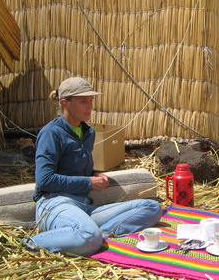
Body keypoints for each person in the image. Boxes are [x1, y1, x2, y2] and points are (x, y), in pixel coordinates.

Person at [24, 77, 162, 256]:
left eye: (90, 101)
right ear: (65, 103)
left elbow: (76, 169)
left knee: (152, 208)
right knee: (88, 236)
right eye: (83, 101)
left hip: (84, 206)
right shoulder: (51, 133)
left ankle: (98, 236)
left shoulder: (88, 132)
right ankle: (30, 242)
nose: (89, 106)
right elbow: (44, 181)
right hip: (55, 203)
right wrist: (88, 183)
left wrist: (94, 174)